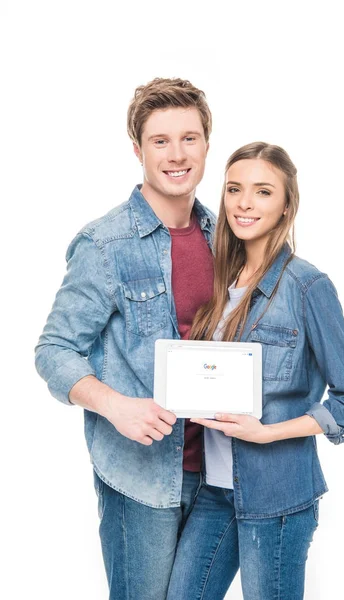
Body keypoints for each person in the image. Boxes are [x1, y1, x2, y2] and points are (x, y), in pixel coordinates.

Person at [34, 77, 215, 599]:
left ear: (207, 143)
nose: (177, 154)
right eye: (160, 140)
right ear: (137, 150)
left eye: (190, 137)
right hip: (142, 480)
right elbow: (53, 350)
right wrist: (116, 405)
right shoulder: (104, 243)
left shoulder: (225, 235)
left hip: (223, 472)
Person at [166, 142, 344, 600]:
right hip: (214, 491)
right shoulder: (223, 284)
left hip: (276, 497)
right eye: (235, 189)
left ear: (285, 207)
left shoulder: (308, 286)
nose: (244, 203)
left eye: (262, 192)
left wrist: (266, 432)